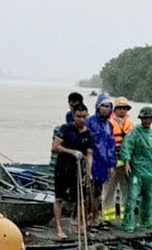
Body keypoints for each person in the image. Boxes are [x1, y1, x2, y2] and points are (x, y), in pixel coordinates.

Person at [52, 103, 93, 239]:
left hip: (78, 170)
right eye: (78, 116)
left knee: (80, 198)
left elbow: (89, 154)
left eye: (84, 116)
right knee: (59, 198)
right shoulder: (66, 129)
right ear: (73, 116)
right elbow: (55, 147)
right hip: (62, 168)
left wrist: (88, 172)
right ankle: (58, 227)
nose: (81, 119)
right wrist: (71, 152)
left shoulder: (89, 133)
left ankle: (80, 225)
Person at [120, 107, 152, 233]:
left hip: (151, 171)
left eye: (150, 118)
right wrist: (126, 161)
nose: (148, 120)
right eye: (145, 118)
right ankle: (128, 223)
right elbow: (127, 146)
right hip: (137, 171)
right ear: (141, 119)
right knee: (132, 197)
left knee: (150, 198)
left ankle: (147, 221)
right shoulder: (134, 132)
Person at [86, 94, 116, 228]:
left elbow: (111, 145)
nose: (105, 108)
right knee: (88, 191)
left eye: (108, 106)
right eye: (103, 105)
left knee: (97, 192)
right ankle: (87, 218)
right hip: (91, 162)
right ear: (97, 107)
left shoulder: (109, 125)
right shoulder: (90, 122)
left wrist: (111, 164)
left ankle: (95, 217)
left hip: (103, 164)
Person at [102, 97, 134, 223]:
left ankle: (125, 216)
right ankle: (107, 217)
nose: (122, 111)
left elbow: (132, 142)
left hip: (126, 162)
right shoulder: (108, 123)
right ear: (115, 109)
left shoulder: (130, 123)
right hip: (112, 161)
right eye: (120, 108)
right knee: (109, 189)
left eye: (124, 108)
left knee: (126, 189)